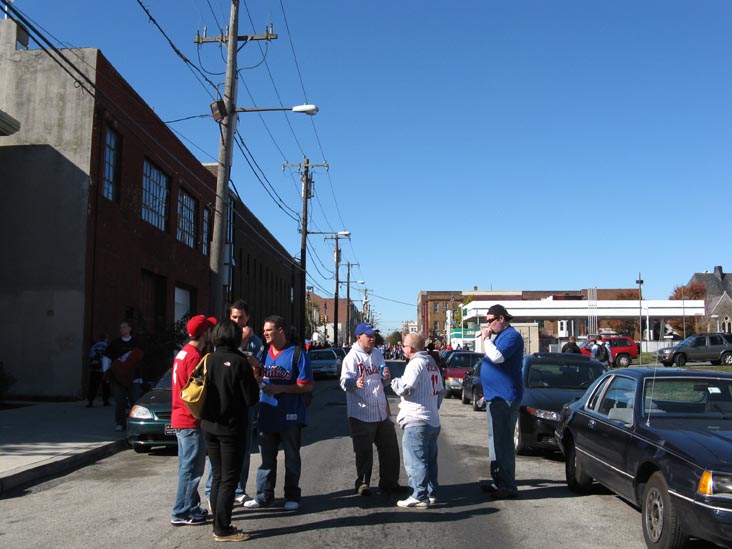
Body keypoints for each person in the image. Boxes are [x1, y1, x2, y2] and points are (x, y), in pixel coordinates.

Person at [243, 315, 313, 511]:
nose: (264, 333)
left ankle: (292, 495)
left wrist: (282, 389)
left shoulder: (297, 354)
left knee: (291, 457)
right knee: (266, 458)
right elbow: (259, 379)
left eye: (269, 330)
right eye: (264, 330)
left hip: (290, 415)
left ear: (280, 330)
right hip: (267, 412)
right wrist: (255, 369)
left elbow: (306, 386)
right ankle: (264, 495)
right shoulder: (264, 353)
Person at [200, 319, 260, 542]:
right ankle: (223, 528)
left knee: (217, 474)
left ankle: (218, 521)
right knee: (229, 478)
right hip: (231, 427)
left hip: (209, 425)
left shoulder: (208, 360)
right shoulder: (239, 362)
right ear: (235, 337)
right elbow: (251, 397)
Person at [205, 300, 263, 508]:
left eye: (241, 317)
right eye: (233, 317)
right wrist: (242, 342)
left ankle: (238, 490)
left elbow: (259, 373)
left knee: (243, 450)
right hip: (221, 406)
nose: (237, 321)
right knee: (220, 456)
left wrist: (257, 366)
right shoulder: (221, 339)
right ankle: (214, 492)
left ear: (248, 318)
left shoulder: (257, 342)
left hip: (244, 403)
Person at [340, 322, 405, 497]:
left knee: (390, 447)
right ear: (358, 337)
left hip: (380, 411)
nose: (372, 338)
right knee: (364, 451)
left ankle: (389, 483)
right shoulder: (351, 357)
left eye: (373, 335)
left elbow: (381, 380)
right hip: (361, 412)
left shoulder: (377, 354)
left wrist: (386, 378)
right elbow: (344, 381)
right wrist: (354, 383)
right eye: (368, 335)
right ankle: (362, 484)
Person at [170, 315, 216, 526]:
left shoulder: (182, 353)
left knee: (186, 466)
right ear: (205, 333)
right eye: (209, 330)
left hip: (179, 418)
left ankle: (191, 505)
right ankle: (181, 511)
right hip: (189, 420)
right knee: (191, 468)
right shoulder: (194, 357)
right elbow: (198, 390)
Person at [390, 333, 444, 509]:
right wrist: (434, 407)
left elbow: (405, 388)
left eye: (404, 345)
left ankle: (418, 495)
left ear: (411, 348)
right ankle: (431, 492)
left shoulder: (416, 364)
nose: (402, 348)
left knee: (415, 461)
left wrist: (394, 382)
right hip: (432, 419)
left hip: (416, 418)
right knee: (430, 460)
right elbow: (441, 391)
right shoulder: (432, 364)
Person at [479, 304, 524, 499]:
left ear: (501, 319)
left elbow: (497, 357)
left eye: (490, 321)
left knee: (503, 442)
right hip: (494, 396)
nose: (488, 325)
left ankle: (508, 485)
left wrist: (486, 339)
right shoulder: (499, 337)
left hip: (506, 397)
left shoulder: (512, 336)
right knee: (494, 440)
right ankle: (498, 480)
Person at [104, 321, 145, 431]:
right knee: (120, 401)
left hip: (134, 377)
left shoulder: (137, 343)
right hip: (118, 377)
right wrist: (107, 373)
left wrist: (140, 377)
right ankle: (120, 423)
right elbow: (106, 358)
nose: (122, 329)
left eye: (124, 327)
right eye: (121, 327)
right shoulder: (114, 344)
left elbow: (141, 360)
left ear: (130, 329)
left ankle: (134, 423)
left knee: (135, 401)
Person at [86, 333, 110, 408]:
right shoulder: (108, 346)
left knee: (93, 386)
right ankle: (105, 401)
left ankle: (90, 401)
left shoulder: (94, 346)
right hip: (104, 369)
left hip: (95, 369)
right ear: (106, 338)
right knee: (105, 386)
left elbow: (91, 357)